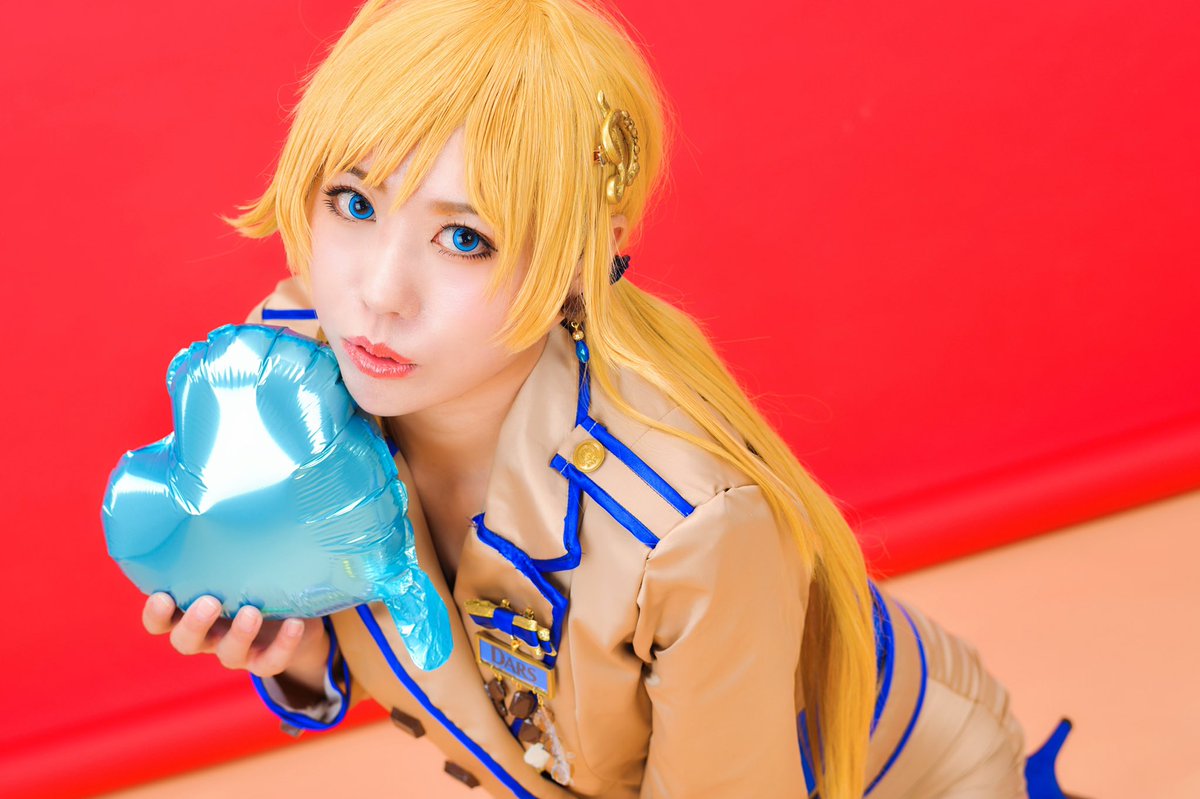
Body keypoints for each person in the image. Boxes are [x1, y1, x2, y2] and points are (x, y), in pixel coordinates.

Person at [140, 0, 1075, 796]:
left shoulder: (692, 526)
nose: (378, 292)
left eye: (465, 239)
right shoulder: (289, 380)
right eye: (354, 201)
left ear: (584, 258)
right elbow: (473, 695)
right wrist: (305, 654)